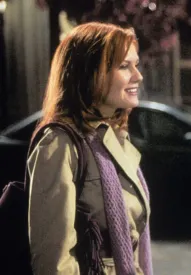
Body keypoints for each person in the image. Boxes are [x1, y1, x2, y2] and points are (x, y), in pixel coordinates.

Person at [27, 22, 153, 275]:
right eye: (124, 66)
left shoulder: (114, 138)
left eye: (135, 65)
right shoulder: (60, 143)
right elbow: (54, 264)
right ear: (91, 73)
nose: (137, 76)